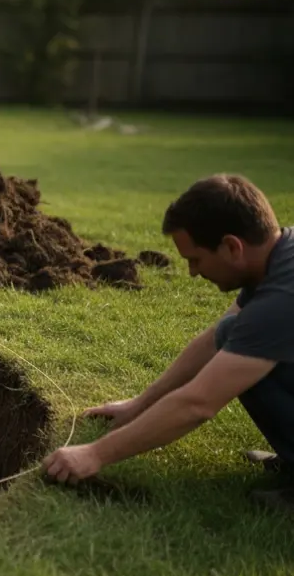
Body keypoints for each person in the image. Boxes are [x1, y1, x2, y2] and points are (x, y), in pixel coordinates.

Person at [41, 173, 294, 510]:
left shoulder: (282, 298)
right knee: (230, 333)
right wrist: (139, 404)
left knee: (241, 339)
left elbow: (197, 404)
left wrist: (94, 454)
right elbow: (213, 341)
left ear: (232, 247)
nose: (191, 272)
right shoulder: (278, 257)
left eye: (195, 259)